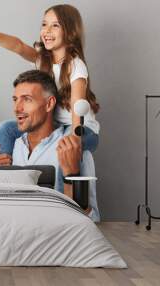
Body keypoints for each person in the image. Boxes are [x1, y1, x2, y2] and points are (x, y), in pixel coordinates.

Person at [0, 4, 100, 155]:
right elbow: (18, 46)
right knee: (6, 128)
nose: (47, 30)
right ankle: (5, 175)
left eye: (55, 25)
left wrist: (73, 137)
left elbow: (77, 105)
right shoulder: (42, 61)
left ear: (70, 31)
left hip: (82, 130)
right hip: (55, 127)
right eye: (44, 24)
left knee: (61, 144)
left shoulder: (76, 65)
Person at [10, 70, 99, 221]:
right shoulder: (16, 146)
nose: (17, 108)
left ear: (49, 104)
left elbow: (91, 219)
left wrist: (72, 174)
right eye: (15, 99)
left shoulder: (75, 148)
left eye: (27, 99)